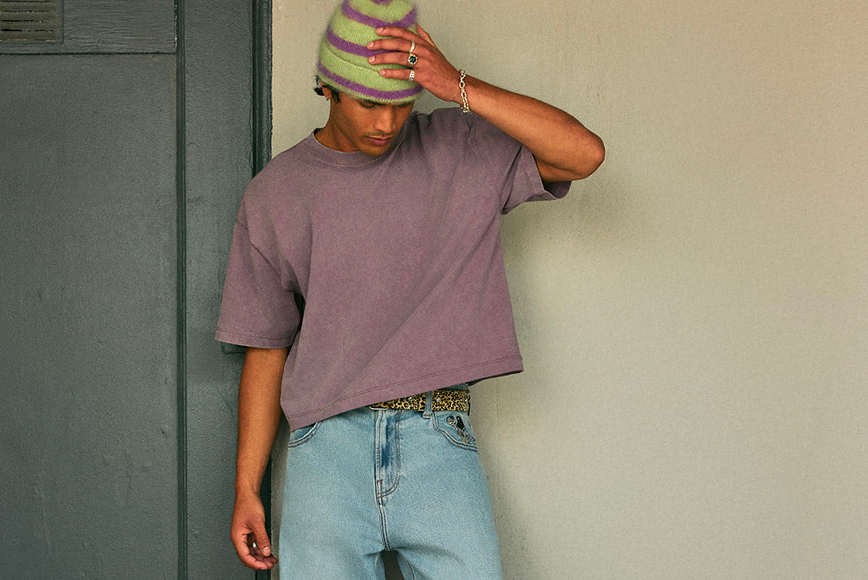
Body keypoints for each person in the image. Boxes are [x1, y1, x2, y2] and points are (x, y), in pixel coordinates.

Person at [215, 0, 604, 577]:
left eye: (402, 104)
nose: (386, 124)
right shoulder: (275, 194)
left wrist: (457, 84)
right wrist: (247, 487)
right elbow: (266, 346)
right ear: (328, 88)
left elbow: (584, 154)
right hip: (325, 451)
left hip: (437, 437)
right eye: (370, 103)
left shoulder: (459, 148)